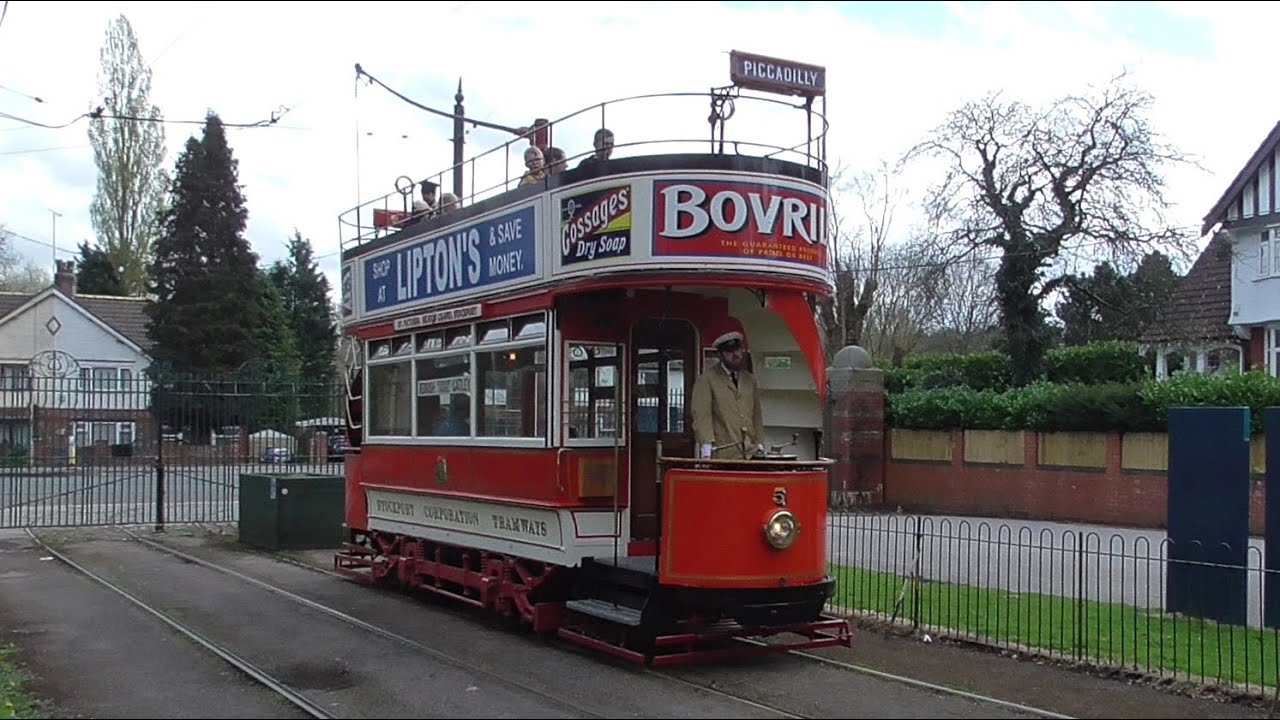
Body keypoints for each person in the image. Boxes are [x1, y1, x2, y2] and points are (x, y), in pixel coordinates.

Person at [690, 328, 764, 460]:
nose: (735, 355)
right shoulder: (707, 379)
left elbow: (756, 415)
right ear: (720, 354)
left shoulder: (749, 379)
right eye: (729, 351)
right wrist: (706, 448)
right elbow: (702, 416)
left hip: (750, 452)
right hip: (723, 452)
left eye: (737, 350)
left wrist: (760, 443)